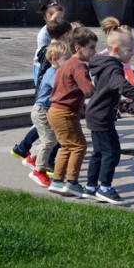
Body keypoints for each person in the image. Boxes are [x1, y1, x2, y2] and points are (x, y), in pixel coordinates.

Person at [84, 18, 134, 205]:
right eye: (129, 51)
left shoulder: (103, 64)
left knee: (98, 152)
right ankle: (105, 187)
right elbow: (121, 85)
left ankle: (90, 186)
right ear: (116, 49)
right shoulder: (113, 68)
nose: (132, 54)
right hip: (101, 117)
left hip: (98, 114)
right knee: (112, 152)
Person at [11, 18, 73, 172]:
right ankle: (40, 168)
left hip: (49, 104)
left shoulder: (55, 52)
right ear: (65, 35)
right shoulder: (53, 53)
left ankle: (30, 155)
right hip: (45, 104)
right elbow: (44, 76)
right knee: (50, 138)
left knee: (53, 136)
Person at [47, 26, 97, 198]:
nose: (94, 52)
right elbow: (88, 91)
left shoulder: (66, 64)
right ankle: (72, 183)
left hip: (55, 111)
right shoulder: (79, 66)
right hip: (65, 113)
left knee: (66, 147)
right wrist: (101, 86)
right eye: (91, 47)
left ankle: (57, 181)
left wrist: (81, 107)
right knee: (79, 146)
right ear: (78, 48)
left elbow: (68, 89)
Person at [28, 41, 72, 188]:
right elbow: (62, 89)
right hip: (41, 111)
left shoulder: (57, 72)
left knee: (51, 140)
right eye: (66, 59)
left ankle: (32, 156)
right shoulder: (53, 74)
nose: (69, 62)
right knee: (49, 141)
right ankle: (38, 171)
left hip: (46, 111)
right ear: (54, 59)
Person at [32, 0, 64, 83]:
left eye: (62, 18)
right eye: (57, 18)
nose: (60, 21)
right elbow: (45, 54)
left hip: (55, 63)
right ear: (48, 16)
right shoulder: (43, 34)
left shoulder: (62, 29)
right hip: (42, 64)